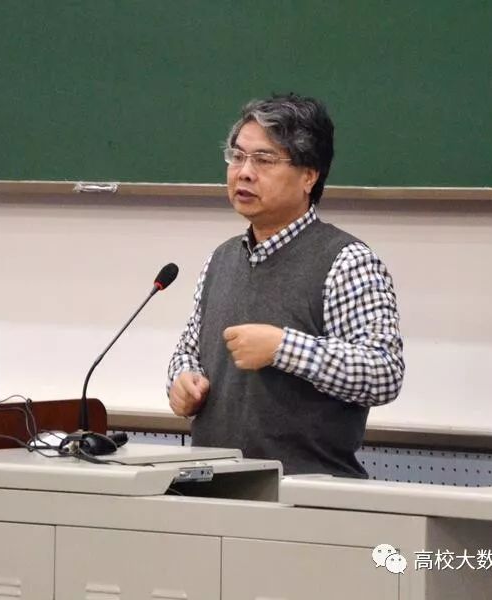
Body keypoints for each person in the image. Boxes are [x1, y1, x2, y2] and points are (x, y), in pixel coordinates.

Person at [167, 93, 404, 477]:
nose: (244, 172)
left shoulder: (347, 261)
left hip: (306, 494)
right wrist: (182, 380)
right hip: (214, 485)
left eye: (263, 160)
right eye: (237, 156)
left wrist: (283, 348)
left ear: (309, 175)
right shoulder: (221, 259)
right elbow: (189, 351)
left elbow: (383, 373)